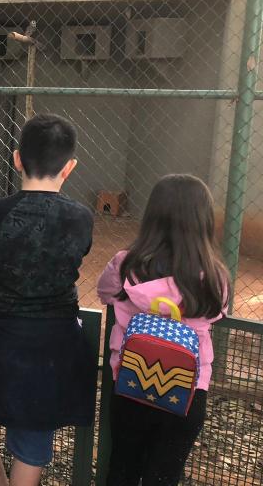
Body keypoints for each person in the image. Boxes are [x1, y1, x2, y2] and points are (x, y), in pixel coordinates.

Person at [0, 113, 96, 486]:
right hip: (57, 339)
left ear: (16, 159)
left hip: (0, 333)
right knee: (35, 425)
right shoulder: (81, 217)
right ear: (70, 167)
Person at [97, 174, 228, 486]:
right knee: (164, 475)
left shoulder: (126, 264)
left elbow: (105, 294)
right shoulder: (213, 275)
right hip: (188, 389)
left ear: (152, 216)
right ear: (204, 221)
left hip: (131, 382)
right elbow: (218, 313)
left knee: (123, 467)